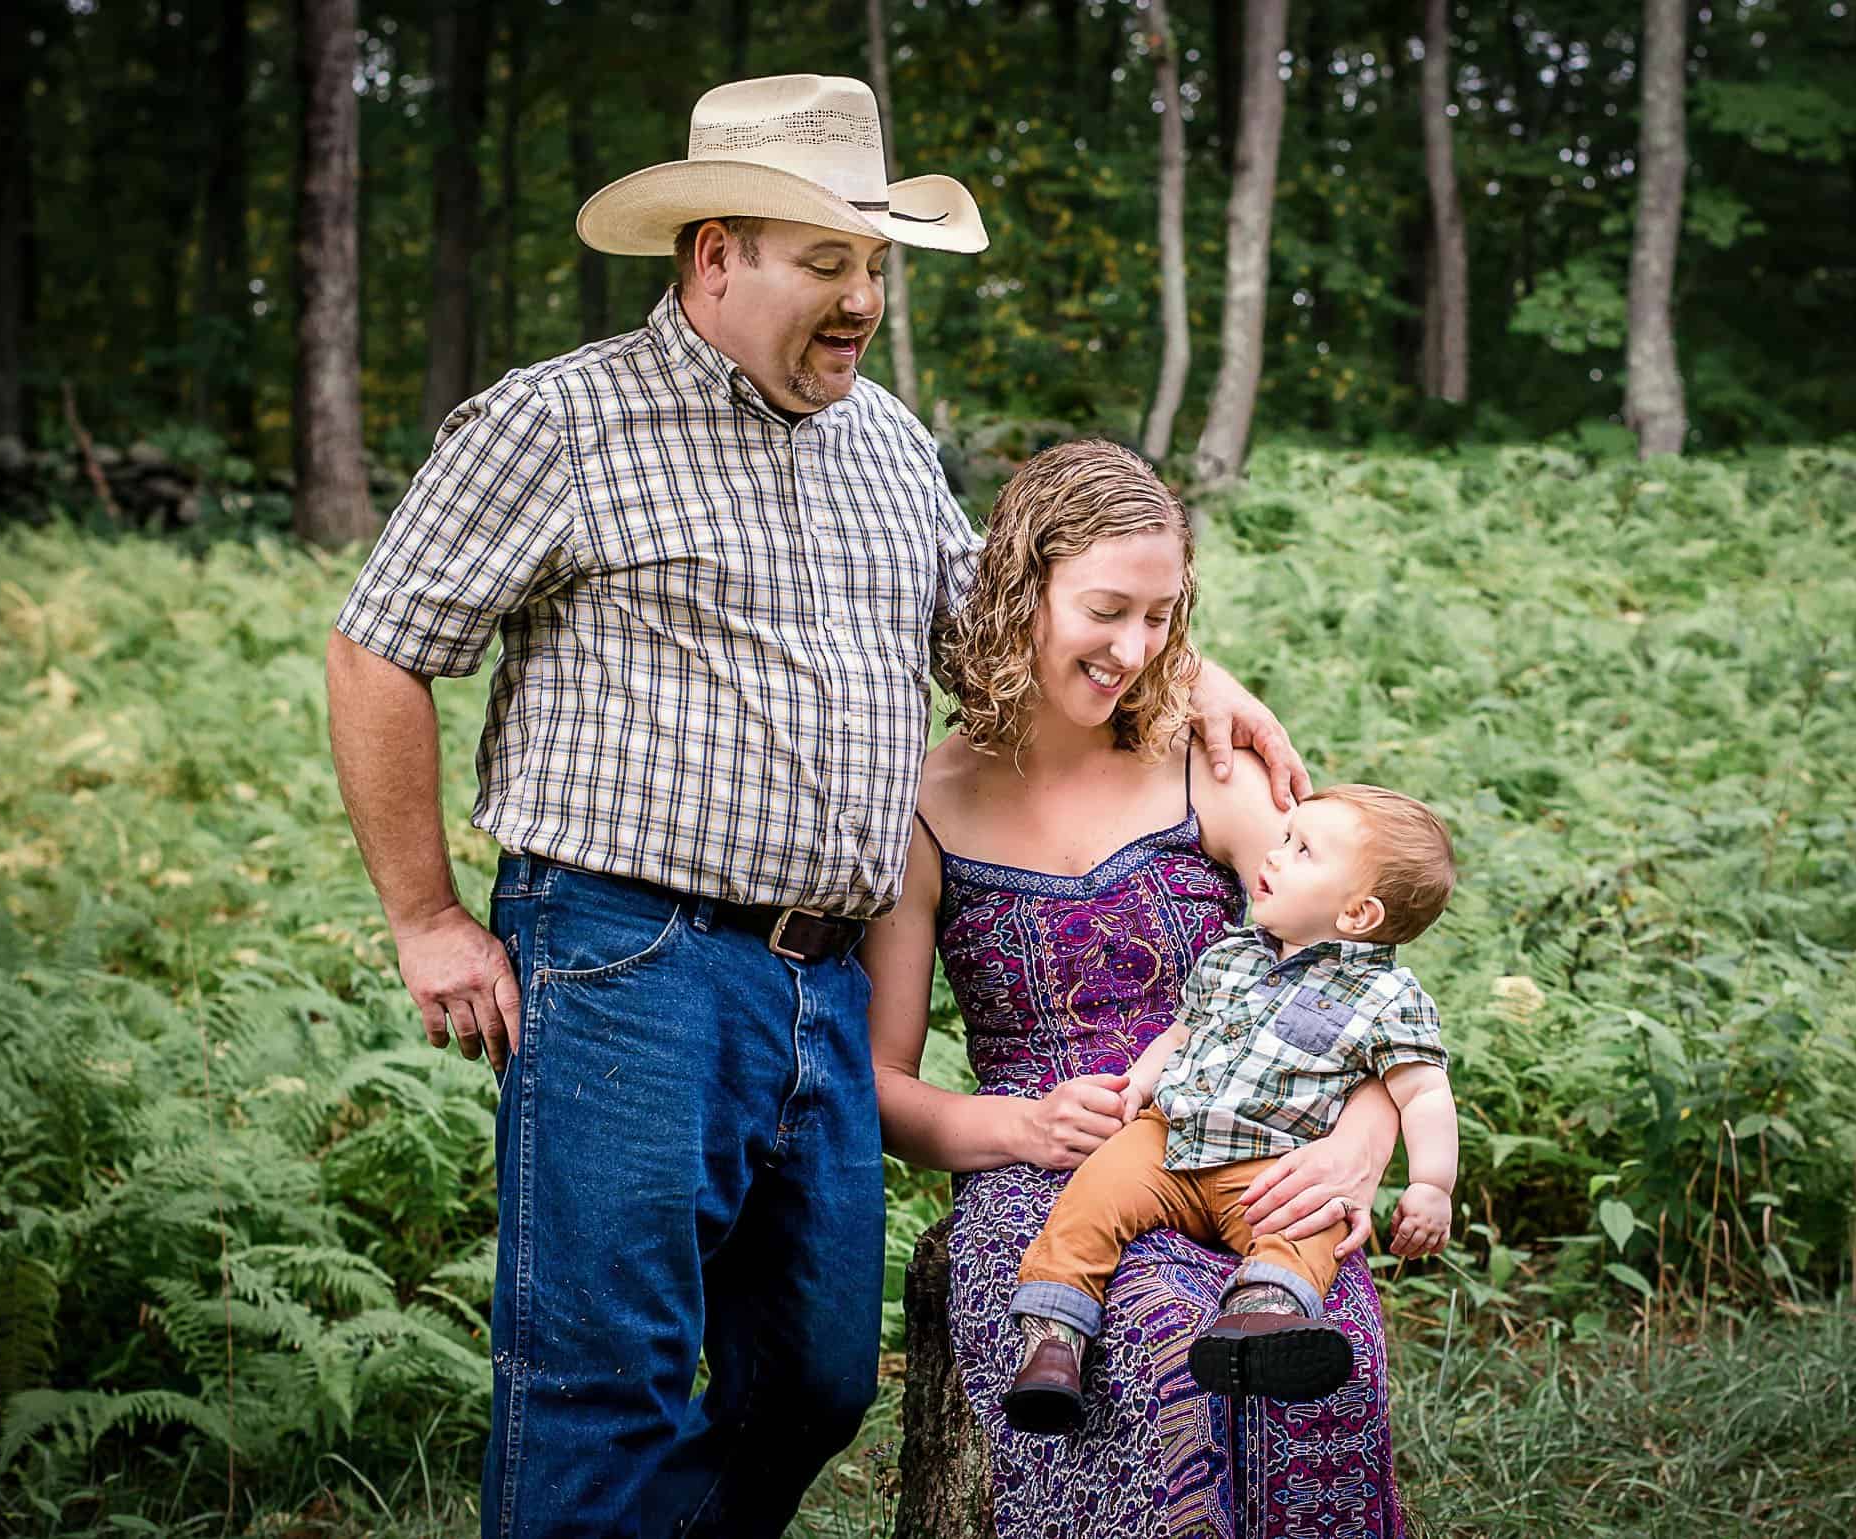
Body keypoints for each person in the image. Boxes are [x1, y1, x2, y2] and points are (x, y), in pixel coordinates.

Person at [324, 76, 1306, 1539]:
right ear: (715, 254)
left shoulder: (885, 443)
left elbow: (1001, 634)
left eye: (874, 265)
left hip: (821, 979)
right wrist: (425, 917)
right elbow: (378, 643)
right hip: (624, 960)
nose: (861, 300)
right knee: (605, 1379)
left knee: (815, 1376)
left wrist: (1196, 668)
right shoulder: (562, 419)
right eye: (827, 261)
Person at [865, 439, 1414, 1537]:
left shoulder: (1206, 768)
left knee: (1315, 1352)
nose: (1134, 649)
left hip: (1249, 1134)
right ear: (1023, 591)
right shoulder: (920, 808)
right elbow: (879, 1084)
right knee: (1152, 1335)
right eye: (1107, 610)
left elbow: (1360, 998)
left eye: (1160, 618)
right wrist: (1010, 1123)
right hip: (1051, 1176)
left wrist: (1357, 1149)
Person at [1002, 783, 1459, 1433]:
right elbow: (1183, 1032)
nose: (1273, 855)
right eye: (1284, 838)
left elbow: (1423, 1090)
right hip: (1171, 1136)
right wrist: (1138, 1083)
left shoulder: (1388, 994)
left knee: (1313, 1222)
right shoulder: (1232, 957)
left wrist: (1431, 1183)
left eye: (1302, 851)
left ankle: (1262, 1319)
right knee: (1091, 1196)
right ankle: (1053, 1341)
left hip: (1274, 1164)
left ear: (1359, 914)